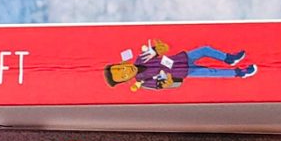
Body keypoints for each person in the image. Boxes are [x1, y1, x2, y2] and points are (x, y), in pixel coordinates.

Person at [104, 39, 257, 88]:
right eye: (122, 75)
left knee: (204, 49)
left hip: (181, 59)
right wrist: (166, 80)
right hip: (183, 72)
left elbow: (160, 49)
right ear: (125, 80)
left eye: (120, 67)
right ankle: (240, 73)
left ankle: (229, 58)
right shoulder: (142, 81)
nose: (125, 70)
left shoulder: (140, 58)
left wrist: (159, 47)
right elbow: (163, 84)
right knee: (212, 72)